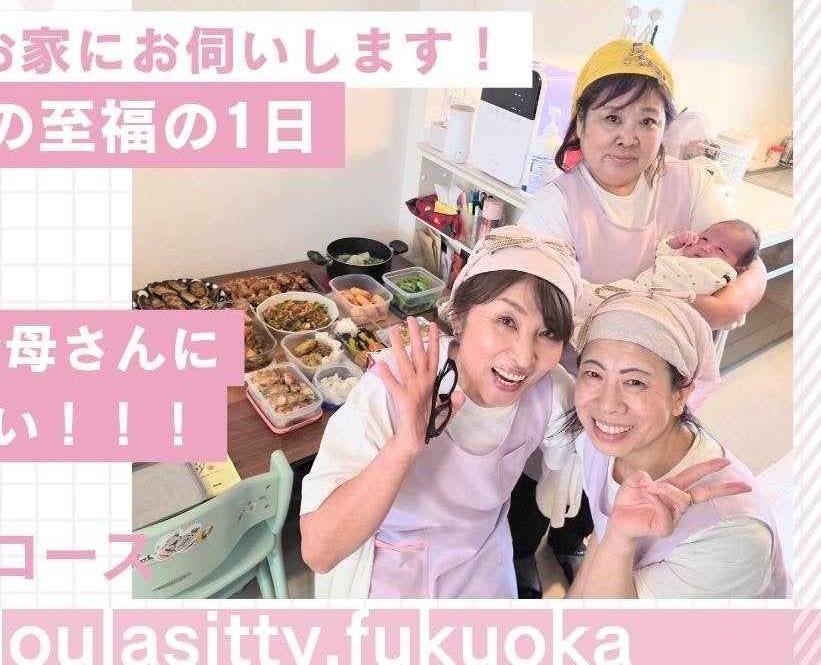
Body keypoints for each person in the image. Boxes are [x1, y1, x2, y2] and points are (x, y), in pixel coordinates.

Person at [512, 39, 769, 596]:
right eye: (611, 118)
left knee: (620, 472)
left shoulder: (688, 182)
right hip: (578, 379)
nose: (628, 137)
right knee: (542, 473)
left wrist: (723, 305)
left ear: (664, 128)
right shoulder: (556, 205)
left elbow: (749, 262)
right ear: (580, 123)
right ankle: (523, 553)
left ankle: (579, 543)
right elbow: (537, 301)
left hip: (651, 385)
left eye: (647, 121)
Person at [299, 227, 581, 598]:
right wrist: (403, 448)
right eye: (506, 321)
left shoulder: (550, 390)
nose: (524, 357)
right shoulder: (394, 386)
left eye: (548, 333)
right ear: (459, 316)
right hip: (393, 573)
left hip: (484, 568)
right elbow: (319, 551)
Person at [564, 291, 789, 598]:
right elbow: (602, 538)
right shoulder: (600, 442)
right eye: (593, 374)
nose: (606, 405)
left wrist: (619, 541)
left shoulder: (732, 539)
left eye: (635, 382)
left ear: (680, 395)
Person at [571, 220, 762, 347]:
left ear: (738, 268)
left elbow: (731, 308)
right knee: (591, 295)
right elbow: (662, 252)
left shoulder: (720, 271)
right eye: (704, 238)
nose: (705, 247)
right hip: (634, 290)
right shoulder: (683, 253)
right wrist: (677, 242)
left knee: (609, 319)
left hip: (653, 307)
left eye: (720, 250)